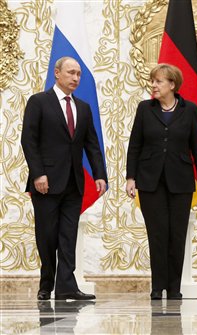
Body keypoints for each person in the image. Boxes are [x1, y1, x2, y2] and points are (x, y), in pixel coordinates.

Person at [21, 56, 107, 301]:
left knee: (68, 235)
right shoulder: (38, 102)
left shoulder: (83, 107)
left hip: (74, 183)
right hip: (45, 182)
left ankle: (67, 287)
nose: (76, 78)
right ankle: (46, 283)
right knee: (47, 236)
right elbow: (29, 140)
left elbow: (91, 143)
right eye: (71, 73)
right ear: (57, 73)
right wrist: (38, 173)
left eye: (79, 74)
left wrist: (99, 174)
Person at [126, 64, 197, 300]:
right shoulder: (144, 109)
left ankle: (174, 288)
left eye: (158, 81)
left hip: (181, 181)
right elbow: (135, 145)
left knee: (177, 234)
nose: (153, 85)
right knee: (157, 234)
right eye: (152, 81)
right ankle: (157, 286)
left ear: (172, 85)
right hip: (150, 181)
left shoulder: (190, 109)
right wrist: (131, 177)